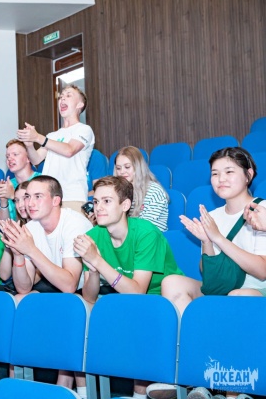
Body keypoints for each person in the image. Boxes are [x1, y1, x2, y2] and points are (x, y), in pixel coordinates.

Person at [74, 176, 182, 399]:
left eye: (107, 201)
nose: (98, 207)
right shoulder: (93, 236)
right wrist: (93, 269)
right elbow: (90, 296)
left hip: (162, 297)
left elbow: (138, 292)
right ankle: (84, 393)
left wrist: (98, 261)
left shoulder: (145, 232)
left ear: (125, 205)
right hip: (122, 297)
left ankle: (139, 395)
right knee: (80, 310)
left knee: (138, 314)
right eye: (96, 202)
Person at [0, 175, 92, 390]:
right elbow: (24, 286)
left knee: (68, 305)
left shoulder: (75, 224)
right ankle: (18, 384)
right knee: (19, 300)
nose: (30, 203)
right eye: (28, 196)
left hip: (86, 289)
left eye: (38, 197)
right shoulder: (31, 227)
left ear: (56, 200)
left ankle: (66, 387)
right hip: (54, 287)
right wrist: (18, 254)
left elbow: (69, 285)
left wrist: (31, 249)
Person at [162, 147, 266, 314]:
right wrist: (207, 242)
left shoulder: (262, 210)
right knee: (171, 283)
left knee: (238, 295)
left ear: (249, 174)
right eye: (215, 174)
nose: (221, 179)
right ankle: (193, 330)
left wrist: (218, 238)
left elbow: (262, 271)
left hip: (256, 290)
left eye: (229, 172)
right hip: (223, 288)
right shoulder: (212, 216)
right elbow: (208, 274)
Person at [17, 84, 94, 214]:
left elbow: (69, 150)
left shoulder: (84, 130)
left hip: (72, 196)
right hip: (49, 198)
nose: (62, 99)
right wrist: (29, 145)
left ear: (80, 104)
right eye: (61, 96)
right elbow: (36, 159)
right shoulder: (52, 136)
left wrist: (39, 137)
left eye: (68, 95)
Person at [113, 146, 169, 231]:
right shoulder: (117, 191)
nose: (122, 172)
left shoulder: (153, 191)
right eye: (118, 168)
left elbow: (146, 228)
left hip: (150, 237)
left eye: (127, 167)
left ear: (138, 167)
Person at [0, 139, 40, 223]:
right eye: (7, 156)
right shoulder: (9, 185)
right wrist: (3, 201)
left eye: (15, 154)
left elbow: (39, 220)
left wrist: (13, 196)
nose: (9, 159)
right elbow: (3, 225)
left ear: (28, 158)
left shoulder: (42, 181)